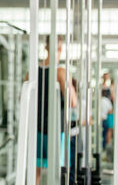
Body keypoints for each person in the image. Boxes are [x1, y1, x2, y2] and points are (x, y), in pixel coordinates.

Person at [26, 35, 78, 185]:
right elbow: (73, 102)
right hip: (56, 130)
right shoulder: (61, 72)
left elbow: (23, 100)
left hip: (36, 128)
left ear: (46, 47)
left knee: (35, 170)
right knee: (60, 169)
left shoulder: (32, 71)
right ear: (60, 49)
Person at [101, 72, 115, 150]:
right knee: (104, 128)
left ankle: (107, 145)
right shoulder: (100, 87)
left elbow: (114, 98)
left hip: (109, 111)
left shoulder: (111, 87)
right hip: (102, 111)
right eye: (105, 77)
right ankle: (103, 145)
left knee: (109, 128)